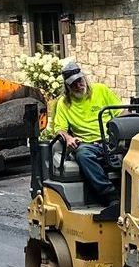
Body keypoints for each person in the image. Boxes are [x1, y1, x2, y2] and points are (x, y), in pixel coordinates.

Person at [47, 58, 121, 203]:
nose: (78, 85)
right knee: (83, 155)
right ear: (67, 87)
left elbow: (120, 112)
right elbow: (60, 129)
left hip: (111, 140)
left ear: (84, 78)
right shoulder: (64, 104)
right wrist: (68, 138)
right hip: (88, 145)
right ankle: (111, 196)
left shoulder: (101, 90)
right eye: (73, 84)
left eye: (79, 80)